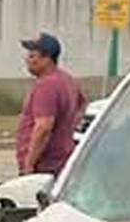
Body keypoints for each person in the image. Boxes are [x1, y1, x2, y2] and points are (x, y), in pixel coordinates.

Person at [15, 32, 87, 176]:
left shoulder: (46, 86)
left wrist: (29, 164)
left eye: (32, 56)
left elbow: (43, 127)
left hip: (44, 166)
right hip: (62, 161)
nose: (27, 60)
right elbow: (82, 105)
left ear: (47, 59)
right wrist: (66, 128)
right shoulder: (67, 80)